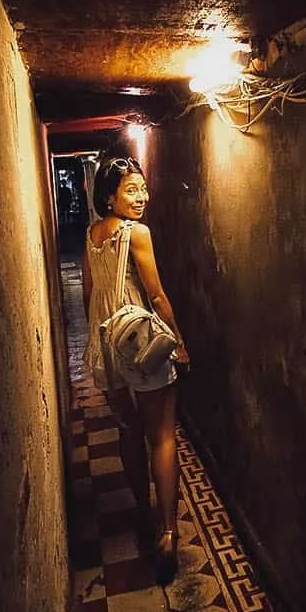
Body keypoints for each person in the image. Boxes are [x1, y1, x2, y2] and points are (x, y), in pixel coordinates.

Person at [82, 154, 191, 581]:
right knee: (162, 435)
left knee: (128, 430)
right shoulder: (137, 233)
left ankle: (142, 511)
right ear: (109, 196)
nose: (141, 196)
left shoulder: (91, 235)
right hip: (139, 341)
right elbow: (158, 296)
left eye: (143, 188)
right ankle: (167, 533)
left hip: (105, 345)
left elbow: (89, 294)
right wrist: (179, 344)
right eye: (131, 189)